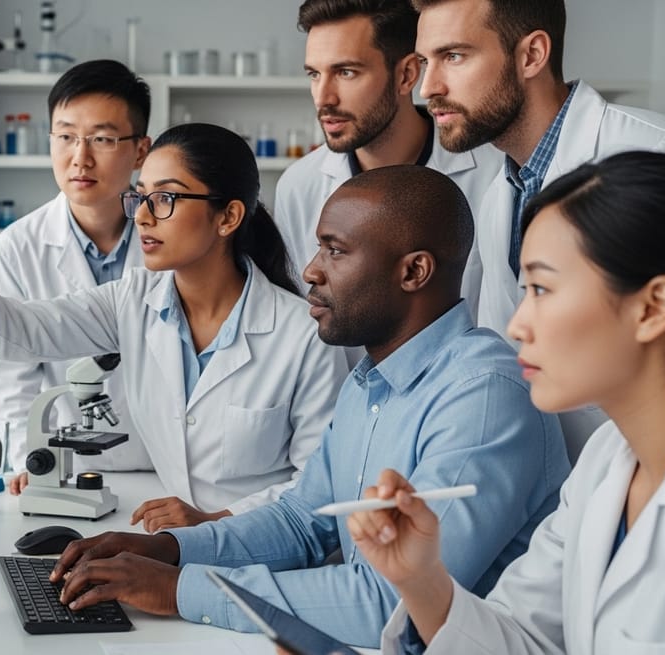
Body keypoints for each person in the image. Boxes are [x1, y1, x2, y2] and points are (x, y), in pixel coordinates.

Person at [48, 165, 569, 648]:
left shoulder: (482, 393)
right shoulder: (370, 380)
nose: (312, 272)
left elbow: (395, 604)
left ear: (414, 272)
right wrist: (173, 549)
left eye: (335, 251)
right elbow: (304, 521)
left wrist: (180, 589)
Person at [0, 123, 346, 528]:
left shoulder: (303, 337)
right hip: (173, 547)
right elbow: (24, 329)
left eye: (166, 199)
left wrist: (216, 520)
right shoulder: (133, 298)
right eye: (141, 197)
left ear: (228, 217)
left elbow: (319, 489)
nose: (144, 217)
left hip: (265, 558)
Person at [353, 152, 665, 654]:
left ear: (653, 307)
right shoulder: (604, 464)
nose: (517, 325)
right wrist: (420, 578)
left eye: (541, 288)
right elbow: (527, 639)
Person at [412, 0, 665, 458]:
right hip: (561, 488)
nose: (427, 88)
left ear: (532, 55)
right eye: (425, 62)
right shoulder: (498, 192)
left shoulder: (659, 152)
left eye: (453, 56)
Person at [0, 60, 154, 494]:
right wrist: (28, 462)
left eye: (102, 138)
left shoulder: (174, 236)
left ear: (140, 150)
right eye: (65, 137)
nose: (80, 157)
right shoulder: (18, 246)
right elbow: (13, 379)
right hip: (65, 469)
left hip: (168, 468)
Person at [275, 0, 498, 317]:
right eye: (314, 74)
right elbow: (302, 319)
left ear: (407, 75)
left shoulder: (492, 173)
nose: (323, 97)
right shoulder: (299, 186)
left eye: (346, 72)